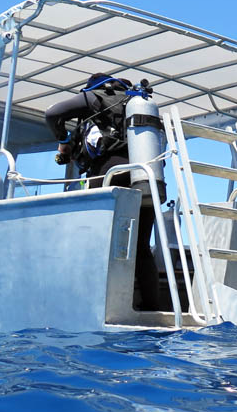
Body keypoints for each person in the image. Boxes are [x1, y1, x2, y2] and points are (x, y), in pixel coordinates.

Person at [44, 74, 160, 311]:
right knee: (141, 248)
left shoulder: (94, 97)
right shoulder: (134, 102)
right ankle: (151, 306)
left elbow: (52, 113)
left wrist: (62, 137)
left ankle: (98, 305)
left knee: (100, 242)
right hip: (147, 175)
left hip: (110, 173)